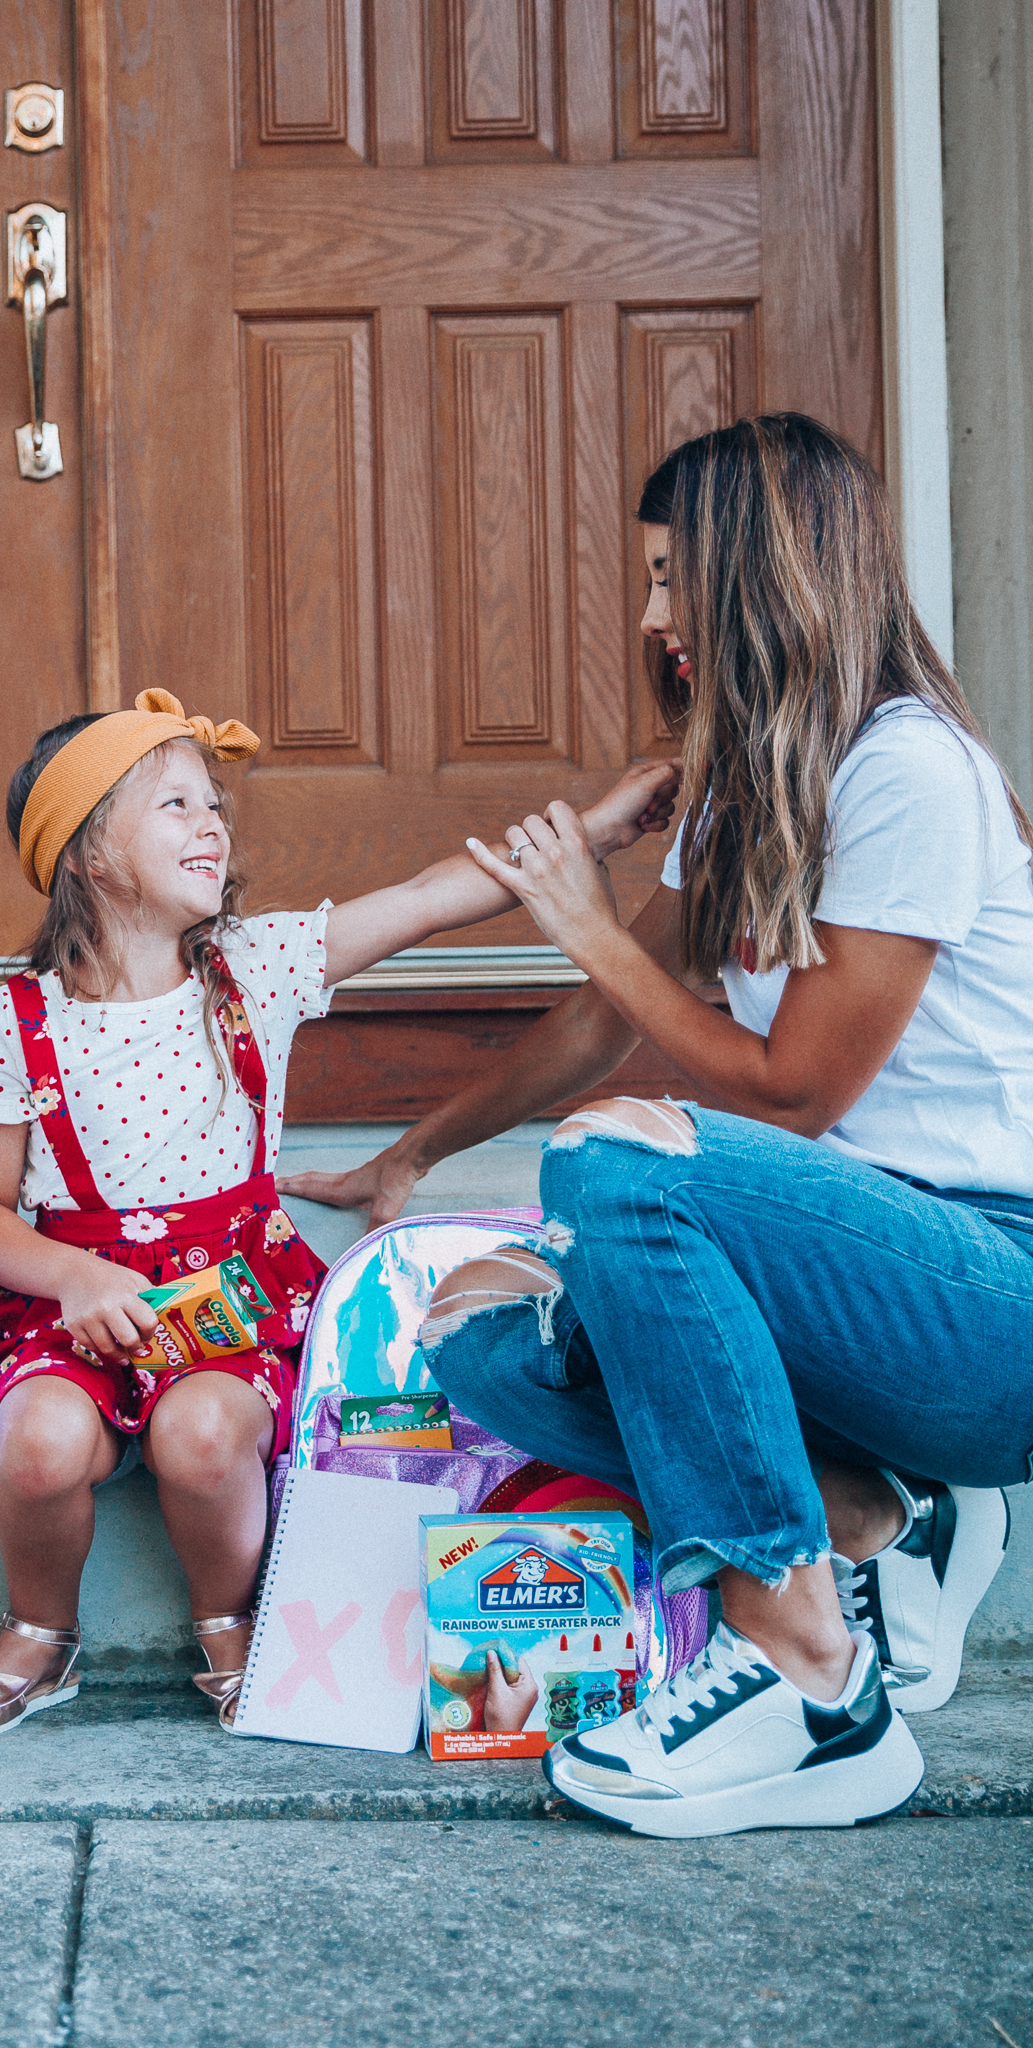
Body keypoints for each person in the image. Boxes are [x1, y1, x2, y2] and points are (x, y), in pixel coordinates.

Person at [285, 415, 1029, 1835]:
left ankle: (808, 1679)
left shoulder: (907, 772)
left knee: (626, 1160)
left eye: (667, 577)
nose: (648, 616)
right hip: (848, 1297)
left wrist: (581, 922)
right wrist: (415, 1153)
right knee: (477, 1333)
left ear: (763, 574)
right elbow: (605, 1023)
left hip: (991, 1298)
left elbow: (795, 1089)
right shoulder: (750, 784)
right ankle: (882, 1520)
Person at [0, 690, 679, 1739]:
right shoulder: (21, 1017)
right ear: (86, 855)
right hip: (75, 1305)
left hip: (224, 1301)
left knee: (200, 1435)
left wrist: (589, 828)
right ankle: (38, 1630)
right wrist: (75, 1277)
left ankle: (232, 1622)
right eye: (173, 804)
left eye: (211, 802)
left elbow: (425, 895)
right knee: (40, 1443)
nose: (210, 823)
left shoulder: (250, 968)